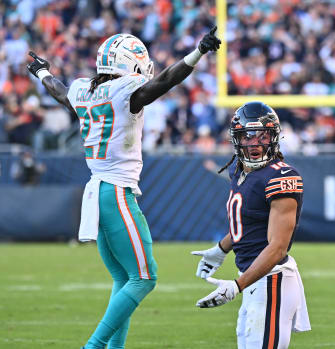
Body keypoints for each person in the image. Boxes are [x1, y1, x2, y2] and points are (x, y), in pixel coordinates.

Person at [27, 28, 221, 349]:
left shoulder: (82, 90)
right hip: (116, 192)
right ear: (131, 64)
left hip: (98, 191)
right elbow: (165, 81)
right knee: (144, 278)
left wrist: (42, 71)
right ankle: (94, 345)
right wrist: (197, 52)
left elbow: (58, 91)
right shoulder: (124, 91)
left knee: (123, 278)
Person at [191, 101, 310, 348]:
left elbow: (278, 248)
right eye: (246, 137)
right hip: (253, 279)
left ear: (274, 137)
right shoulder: (239, 169)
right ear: (236, 139)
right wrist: (222, 248)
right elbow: (247, 222)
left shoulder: (281, 177)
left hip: (272, 279)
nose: (254, 144)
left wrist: (236, 286)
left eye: (262, 136)